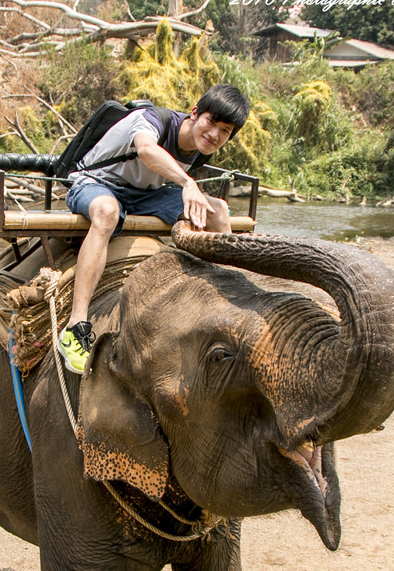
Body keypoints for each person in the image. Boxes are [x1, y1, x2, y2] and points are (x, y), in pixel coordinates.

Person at [57, 83, 251, 374]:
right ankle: (75, 326)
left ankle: (230, 304)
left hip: (143, 195)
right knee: (108, 212)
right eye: (211, 122)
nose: (214, 135)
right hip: (95, 182)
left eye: (225, 131)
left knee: (219, 211)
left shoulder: (202, 149)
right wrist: (187, 183)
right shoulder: (154, 119)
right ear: (195, 113)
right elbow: (146, 150)